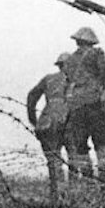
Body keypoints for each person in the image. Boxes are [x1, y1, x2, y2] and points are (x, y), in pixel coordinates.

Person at [62, 27, 105, 184]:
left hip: (75, 105)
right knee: (100, 138)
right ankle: (103, 170)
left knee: (80, 141)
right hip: (94, 103)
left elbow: (66, 82)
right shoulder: (97, 54)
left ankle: (87, 175)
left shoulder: (70, 61)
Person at [27, 53, 71, 183]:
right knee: (75, 159)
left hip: (47, 121)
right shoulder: (75, 80)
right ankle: (75, 193)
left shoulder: (48, 79)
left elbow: (31, 97)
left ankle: (58, 193)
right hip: (69, 120)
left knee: (53, 160)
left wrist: (34, 121)